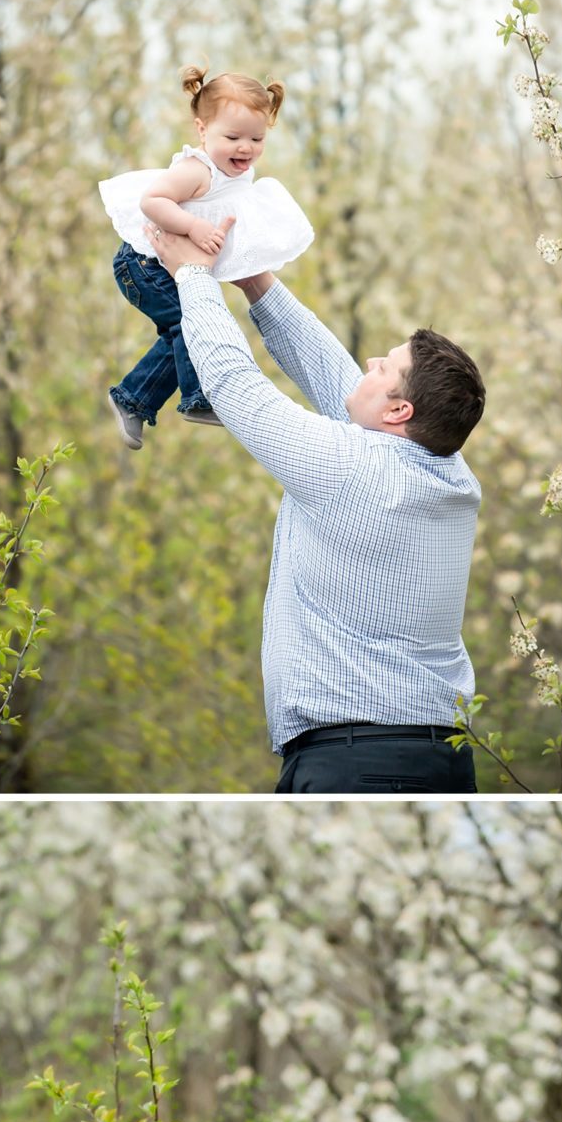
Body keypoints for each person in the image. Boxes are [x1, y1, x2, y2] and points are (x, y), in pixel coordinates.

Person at [147, 217, 487, 795]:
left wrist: (194, 277)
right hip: (444, 758)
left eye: (384, 366)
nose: (370, 366)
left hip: (354, 761)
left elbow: (236, 387)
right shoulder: (449, 475)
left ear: (400, 411)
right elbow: (339, 382)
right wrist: (255, 278)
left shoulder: (351, 469)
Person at [99, 67, 314, 446]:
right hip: (143, 265)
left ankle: (133, 400)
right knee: (193, 322)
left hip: (162, 268)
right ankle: (199, 397)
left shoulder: (236, 170)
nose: (245, 148)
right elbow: (152, 200)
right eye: (232, 137)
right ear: (202, 131)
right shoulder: (197, 169)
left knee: (182, 330)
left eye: (256, 138)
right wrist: (193, 227)